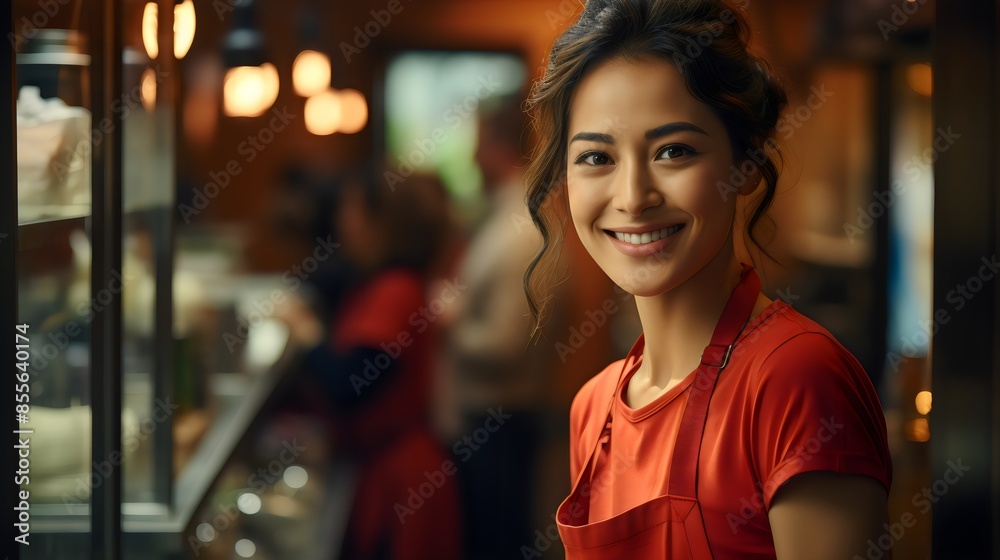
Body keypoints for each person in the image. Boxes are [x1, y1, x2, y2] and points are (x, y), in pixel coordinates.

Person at [522, 1, 893, 558]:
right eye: (596, 158)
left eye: (674, 151)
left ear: (745, 165)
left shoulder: (795, 380)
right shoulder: (592, 409)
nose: (632, 197)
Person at [278, 168, 461, 560]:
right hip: (388, 465)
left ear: (381, 223)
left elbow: (351, 386)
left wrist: (307, 335)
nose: (343, 220)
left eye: (352, 208)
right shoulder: (385, 281)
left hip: (403, 477)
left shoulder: (396, 290)